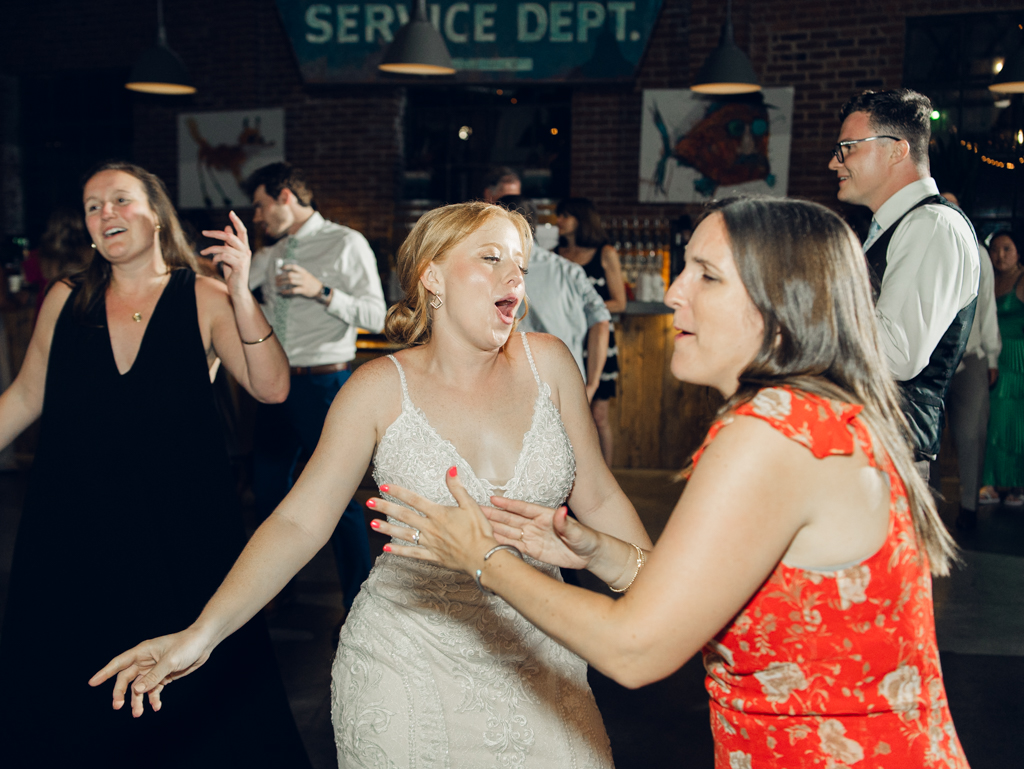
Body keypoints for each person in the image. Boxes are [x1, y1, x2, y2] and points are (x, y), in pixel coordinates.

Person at [370, 198, 970, 768]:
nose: (675, 293)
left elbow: (635, 651)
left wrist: (484, 558)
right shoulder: (817, 413)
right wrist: (599, 550)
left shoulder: (772, 435)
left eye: (706, 276)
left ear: (782, 303)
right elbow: (726, 598)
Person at [90, 201, 652, 767]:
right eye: (491, 258)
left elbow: (598, 494)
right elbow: (299, 520)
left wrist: (659, 589)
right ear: (432, 275)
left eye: (521, 265)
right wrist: (202, 633)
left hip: (541, 653)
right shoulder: (378, 389)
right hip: (405, 665)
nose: (515, 277)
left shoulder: (549, 362)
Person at [0, 162, 311, 767]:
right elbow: (25, 395)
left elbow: (272, 388)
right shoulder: (66, 298)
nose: (105, 213)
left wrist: (241, 291)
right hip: (71, 531)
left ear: (156, 214)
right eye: (93, 206)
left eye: (120, 200)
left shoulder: (203, 296)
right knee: (71, 688)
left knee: (195, 705)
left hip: (180, 531)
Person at [245, 161, 386, 610]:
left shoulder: (346, 242)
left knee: (337, 498)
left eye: (262, 205)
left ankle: (359, 605)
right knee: (267, 488)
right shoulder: (269, 253)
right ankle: (275, 592)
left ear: (286, 196)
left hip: (325, 383)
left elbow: (377, 316)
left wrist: (321, 291)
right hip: (275, 384)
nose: (257, 216)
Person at [828, 89, 979, 476]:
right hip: (869, 446)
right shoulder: (898, 227)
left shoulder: (930, 225)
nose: (834, 162)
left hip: (889, 454)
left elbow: (897, 354)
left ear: (897, 150)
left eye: (848, 148)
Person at [499, 194, 610, 400]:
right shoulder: (570, 270)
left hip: (513, 385)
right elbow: (602, 323)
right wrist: (592, 384)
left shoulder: (494, 270)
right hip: (569, 383)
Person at [940, 193, 1001, 531]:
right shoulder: (928, 248)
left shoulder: (978, 253)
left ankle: (969, 508)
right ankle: (926, 505)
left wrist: (991, 355)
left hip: (971, 354)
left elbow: (988, 307)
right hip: (931, 358)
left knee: (969, 433)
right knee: (929, 432)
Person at [556, 197, 627, 465]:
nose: (559, 221)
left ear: (581, 219)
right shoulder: (555, 255)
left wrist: (582, 311)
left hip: (599, 341)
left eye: (565, 216)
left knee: (598, 416)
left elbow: (620, 302)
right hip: (567, 341)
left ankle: (606, 476)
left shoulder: (604, 253)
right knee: (565, 416)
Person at [981, 230, 1024, 507]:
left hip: (1018, 357)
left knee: (1016, 421)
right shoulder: (989, 278)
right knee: (995, 420)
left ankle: (1017, 485)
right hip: (993, 355)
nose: (1000, 255)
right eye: (995, 249)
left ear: (1018, 251)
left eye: (1007, 249)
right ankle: (996, 483)